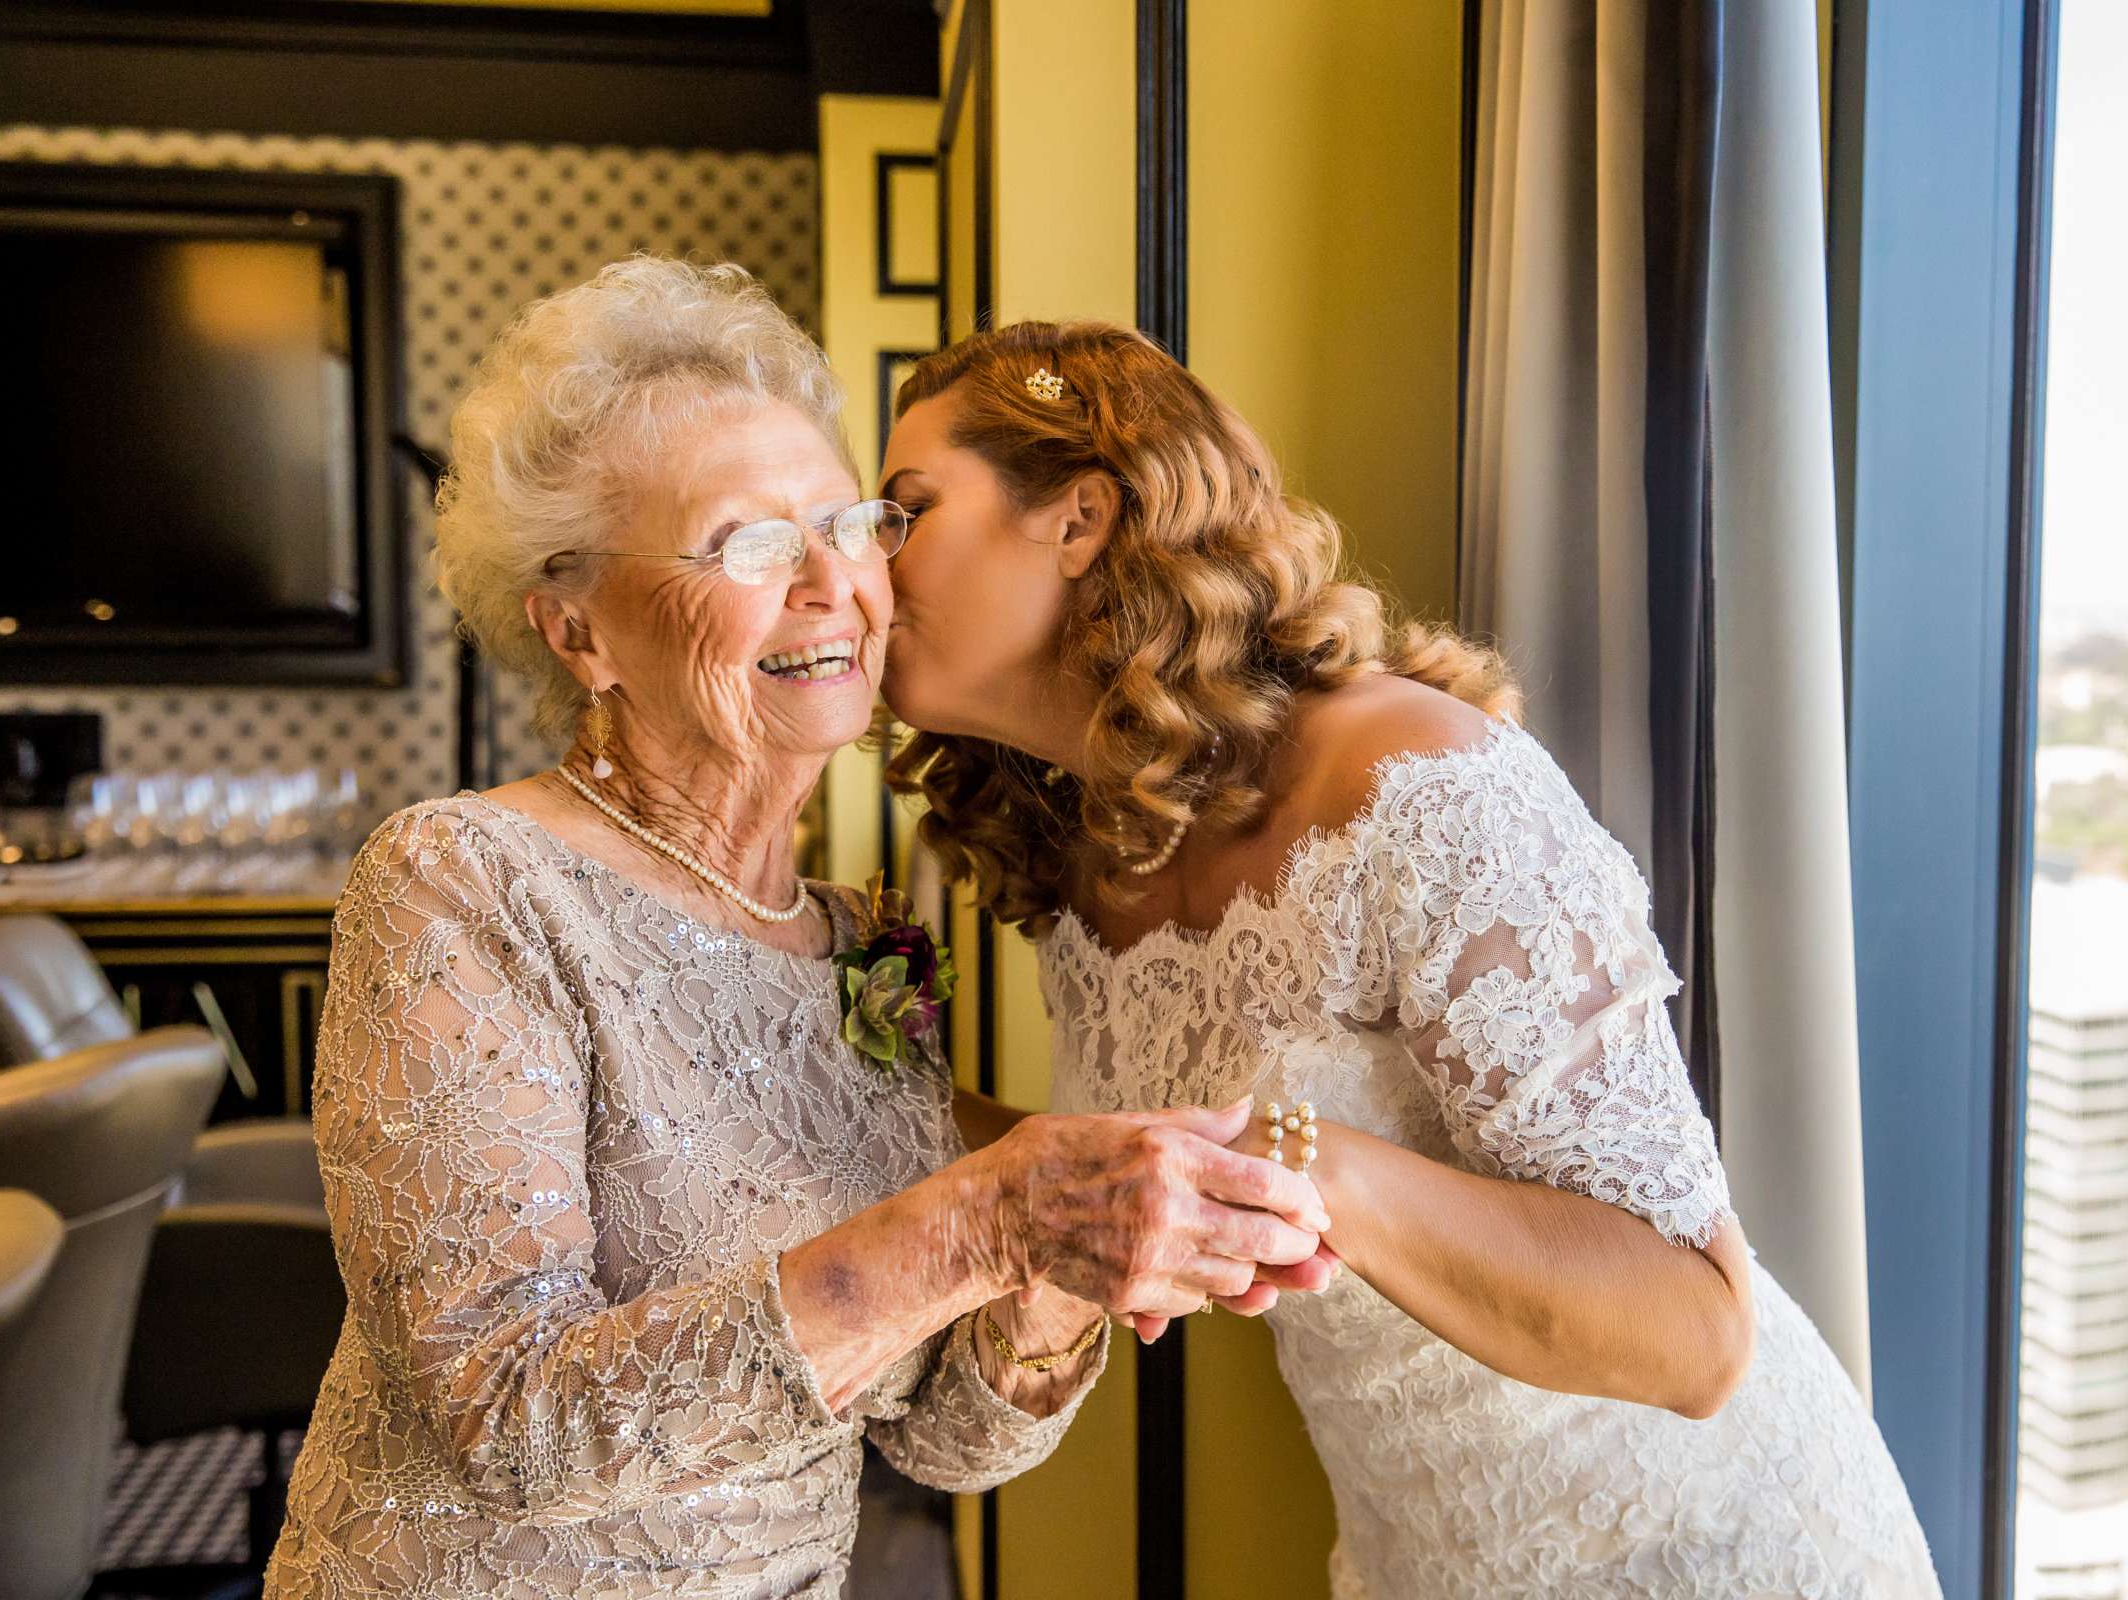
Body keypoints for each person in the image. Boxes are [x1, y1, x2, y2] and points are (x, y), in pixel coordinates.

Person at [265, 264, 1331, 1599]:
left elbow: (943, 1438)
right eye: (748, 543)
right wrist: (987, 1217)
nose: (836, 581)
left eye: (851, 522)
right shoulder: (467, 885)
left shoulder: (871, 945)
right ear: (577, 626)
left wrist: (1060, 1268)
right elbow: (512, 1420)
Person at [876, 320, 1945, 1598]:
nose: (865, 565)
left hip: (1702, 1543)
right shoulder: (1102, 851)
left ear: (1078, 519)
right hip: (1428, 1553)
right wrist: (833, 1055)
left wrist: (1302, 1165)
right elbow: (1118, 1170)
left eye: (903, 512)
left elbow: (1695, 1328)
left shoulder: (1413, 786)